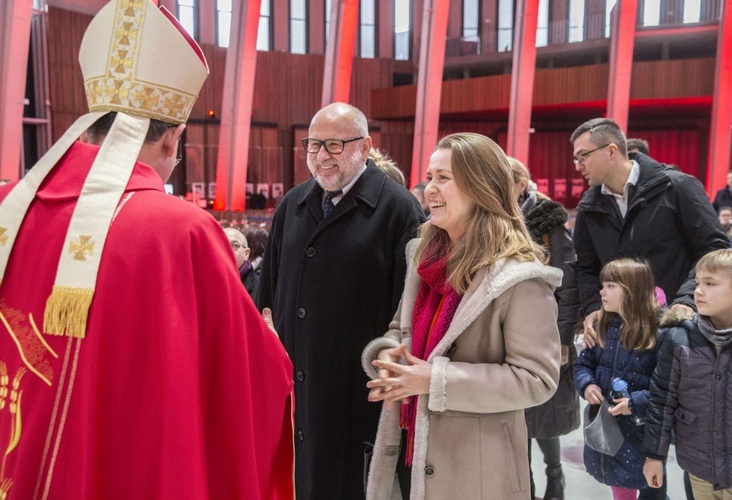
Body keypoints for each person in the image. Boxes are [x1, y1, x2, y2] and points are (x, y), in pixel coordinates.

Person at [0, 1, 294, 498]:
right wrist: (267, 343)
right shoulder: (180, 230)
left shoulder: (12, 208)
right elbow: (243, 380)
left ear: (91, 125)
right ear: (173, 137)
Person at [362, 132, 562, 500]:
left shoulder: (519, 276)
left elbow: (537, 379)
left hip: (477, 470)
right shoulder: (422, 257)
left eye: (443, 178)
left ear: (480, 187)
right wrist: (391, 354)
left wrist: (435, 379)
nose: (428, 190)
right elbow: (399, 329)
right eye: (429, 177)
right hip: (412, 448)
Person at [256, 102, 424, 500]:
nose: (320, 157)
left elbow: (410, 308)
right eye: (313, 146)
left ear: (365, 147)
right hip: (298, 389)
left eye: (333, 145)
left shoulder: (398, 209)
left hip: (358, 394)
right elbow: (267, 294)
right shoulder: (294, 205)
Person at [570, 118, 728, 348]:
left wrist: (687, 299)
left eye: (583, 155)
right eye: (576, 158)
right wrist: (594, 307)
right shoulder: (588, 207)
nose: (578, 165)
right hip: (620, 332)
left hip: (675, 327)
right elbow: (585, 268)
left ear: (612, 151)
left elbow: (714, 248)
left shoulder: (676, 187)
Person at [642, 249, 732, 499]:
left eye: (710, 284)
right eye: (698, 282)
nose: (698, 291)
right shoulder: (680, 337)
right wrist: (654, 455)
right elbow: (661, 400)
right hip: (698, 466)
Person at [509, 157, 580, 500]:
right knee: (514, 414)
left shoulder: (549, 222)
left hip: (547, 328)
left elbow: (569, 285)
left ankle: (555, 474)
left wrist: (564, 339)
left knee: (544, 413)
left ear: (520, 184)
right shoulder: (495, 218)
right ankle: (527, 486)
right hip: (509, 327)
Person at [574, 259, 666, 500]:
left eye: (611, 286)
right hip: (609, 429)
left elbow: (667, 388)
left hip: (643, 432)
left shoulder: (660, 333)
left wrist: (635, 403)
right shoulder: (603, 326)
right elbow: (584, 364)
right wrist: (587, 384)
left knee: (651, 489)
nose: (602, 292)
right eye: (603, 285)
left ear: (632, 289)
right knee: (619, 483)